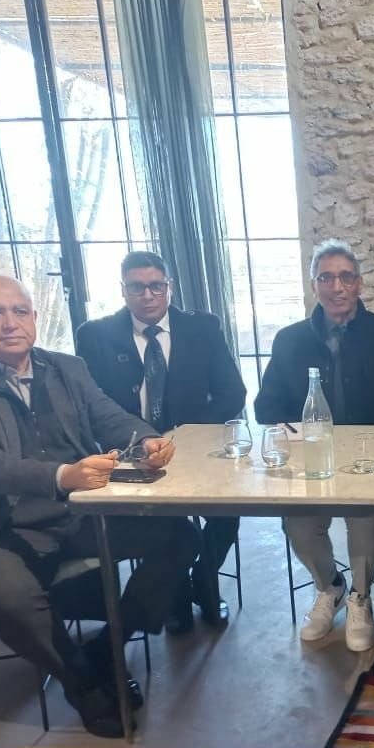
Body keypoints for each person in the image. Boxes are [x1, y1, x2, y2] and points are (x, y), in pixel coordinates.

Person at [0, 275, 195, 738]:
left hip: (79, 510)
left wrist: (146, 439)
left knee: (180, 535)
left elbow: (107, 415)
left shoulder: (67, 367)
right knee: (7, 596)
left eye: (19, 311)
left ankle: (107, 648)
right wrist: (62, 476)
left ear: (34, 317)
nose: (10, 323)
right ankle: (80, 680)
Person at [254, 239, 374, 651]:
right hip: (312, 459)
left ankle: (361, 597)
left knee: (363, 520)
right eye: (326, 278)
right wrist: (295, 430)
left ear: (359, 284)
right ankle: (330, 586)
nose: (337, 287)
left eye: (346, 277)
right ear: (314, 285)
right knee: (298, 523)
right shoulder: (290, 340)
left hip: (369, 459)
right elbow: (265, 406)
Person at [76, 251, 246, 634]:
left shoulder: (202, 328)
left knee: (229, 513)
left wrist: (187, 436)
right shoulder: (95, 336)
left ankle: (204, 582)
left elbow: (232, 393)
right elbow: (89, 405)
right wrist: (136, 443)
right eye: (137, 287)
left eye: (156, 286)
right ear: (123, 290)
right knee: (167, 523)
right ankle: (175, 597)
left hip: (196, 447)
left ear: (169, 288)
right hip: (130, 454)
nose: (148, 295)